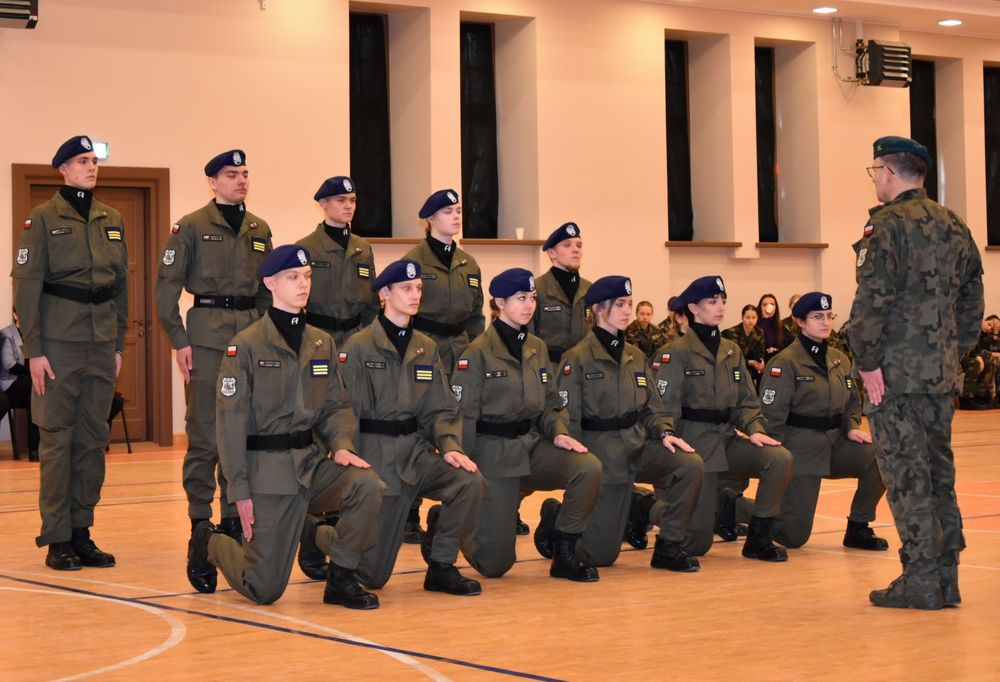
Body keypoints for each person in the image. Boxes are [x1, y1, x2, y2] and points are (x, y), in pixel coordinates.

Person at [185, 245, 384, 608]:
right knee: (264, 589)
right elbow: (229, 426)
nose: (303, 284)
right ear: (270, 283)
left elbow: (335, 407)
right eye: (293, 277)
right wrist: (239, 491)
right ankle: (209, 542)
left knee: (367, 485)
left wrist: (341, 444)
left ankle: (340, 578)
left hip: (310, 465)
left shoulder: (320, 343)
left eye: (307, 277)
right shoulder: (245, 347)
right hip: (267, 475)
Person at [848, 135, 983, 609]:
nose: (875, 180)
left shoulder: (886, 226)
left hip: (895, 379)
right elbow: (973, 302)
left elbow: (871, 302)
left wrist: (867, 362)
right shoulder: (954, 224)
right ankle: (946, 578)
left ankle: (921, 579)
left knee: (907, 478)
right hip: (939, 378)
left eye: (875, 171)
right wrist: (950, 353)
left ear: (888, 172)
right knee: (939, 475)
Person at [155, 149, 273, 580]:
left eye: (245, 173)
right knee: (205, 434)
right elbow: (165, 289)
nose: (240, 180)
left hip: (250, 339)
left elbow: (267, 291)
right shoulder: (190, 227)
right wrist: (179, 340)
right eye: (231, 174)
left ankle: (233, 519)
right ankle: (200, 524)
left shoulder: (260, 229)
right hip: (205, 337)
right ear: (212, 182)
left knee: (243, 433)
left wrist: (270, 341)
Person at [12, 135, 127, 570]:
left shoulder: (111, 218)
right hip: (58, 346)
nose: (91, 167)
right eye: (82, 161)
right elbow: (26, 289)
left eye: (94, 161)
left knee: (92, 441)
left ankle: (82, 532)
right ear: (63, 169)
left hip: (100, 344)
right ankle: (57, 537)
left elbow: (121, 287)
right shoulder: (42, 219)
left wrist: (117, 343)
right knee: (58, 441)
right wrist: (34, 351)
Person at [340, 259, 486, 595]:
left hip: (415, 453)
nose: (415, 294)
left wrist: (449, 445)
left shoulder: (425, 347)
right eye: (406, 288)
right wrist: (350, 459)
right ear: (384, 294)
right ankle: (317, 535)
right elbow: (344, 411)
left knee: (469, 480)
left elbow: (442, 407)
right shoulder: (358, 347)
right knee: (373, 576)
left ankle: (441, 565)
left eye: (418, 288)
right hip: (377, 457)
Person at [451, 268, 603, 581]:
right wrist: (465, 468)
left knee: (587, 467)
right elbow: (463, 415)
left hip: (531, 446)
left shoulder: (536, 348)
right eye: (521, 298)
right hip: (493, 454)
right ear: (499, 302)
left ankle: (564, 550)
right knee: (494, 564)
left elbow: (551, 403)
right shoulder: (477, 353)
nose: (529, 305)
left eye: (533, 298)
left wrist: (558, 431)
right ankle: (449, 522)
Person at [557, 276, 704, 571]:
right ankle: (554, 517)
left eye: (629, 304)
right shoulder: (577, 359)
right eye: (620, 305)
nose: (627, 311)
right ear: (598, 309)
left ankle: (668, 545)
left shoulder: (636, 357)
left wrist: (664, 431)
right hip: (602, 453)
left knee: (690, 464)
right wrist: (579, 467)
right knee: (601, 556)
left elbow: (652, 406)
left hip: (637, 445)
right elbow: (567, 416)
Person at [651, 276, 793, 562]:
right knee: (696, 544)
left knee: (779, 458)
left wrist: (754, 428)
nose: (720, 307)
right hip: (694, 445)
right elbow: (663, 407)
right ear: (693, 308)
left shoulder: (731, 350)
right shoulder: (674, 353)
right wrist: (668, 438)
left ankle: (758, 538)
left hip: (727, 439)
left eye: (723, 301)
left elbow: (746, 401)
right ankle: (641, 507)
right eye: (712, 301)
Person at [754, 292, 888, 551]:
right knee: (792, 536)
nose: (826, 322)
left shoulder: (839, 358)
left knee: (881, 455)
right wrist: (778, 461)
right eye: (817, 317)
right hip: (800, 448)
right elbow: (771, 416)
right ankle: (732, 507)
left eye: (829, 316)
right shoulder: (784, 363)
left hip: (836, 442)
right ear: (799, 321)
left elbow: (852, 401)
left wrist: (851, 426)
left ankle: (858, 526)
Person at [403, 189, 484, 542]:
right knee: (421, 428)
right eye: (448, 211)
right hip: (424, 349)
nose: (456, 216)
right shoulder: (414, 261)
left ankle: (458, 502)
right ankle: (409, 512)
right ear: (431, 219)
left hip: (460, 349)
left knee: (460, 424)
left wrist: (474, 352)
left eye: (459, 210)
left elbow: (477, 315)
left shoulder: (469, 263)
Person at [296, 176, 379, 347]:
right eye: (341, 200)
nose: (349, 206)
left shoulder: (363, 248)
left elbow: (372, 301)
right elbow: (293, 300)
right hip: (317, 337)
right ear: (323, 204)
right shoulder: (306, 248)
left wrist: (367, 334)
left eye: (352, 200)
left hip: (356, 338)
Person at [531, 222, 592, 367]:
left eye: (579, 245)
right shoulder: (537, 289)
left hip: (583, 368)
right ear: (552, 253)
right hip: (550, 368)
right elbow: (528, 339)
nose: (575, 250)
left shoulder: (589, 289)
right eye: (567, 245)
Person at [1, 309, 40, 460]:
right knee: (32, 386)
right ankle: (34, 448)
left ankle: (42, 445)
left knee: (39, 390)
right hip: (9, 383)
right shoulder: (7, 333)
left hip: (26, 383)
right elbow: (9, 365)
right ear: (15, 315)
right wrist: (32, 372)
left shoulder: (32, 335)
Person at [722, 304, 766, 388]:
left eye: (754, 318)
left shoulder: (759, 332)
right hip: (735, 366)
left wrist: (761, 362)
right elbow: (733, 357)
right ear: (742, 317)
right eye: (747, 317)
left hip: (752, 368)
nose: (750, 320)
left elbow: (760, 353)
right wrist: (749, 362)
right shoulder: (731, 332)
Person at [756, 293, 787, 361]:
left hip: (777, 361)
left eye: (772, 304)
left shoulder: (782, 327)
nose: (769, 307)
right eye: (765, 305)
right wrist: (765, 318)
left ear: (776, 308)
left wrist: (775, 349)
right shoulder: (756, 326)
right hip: (761, 361)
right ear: (760, 308)